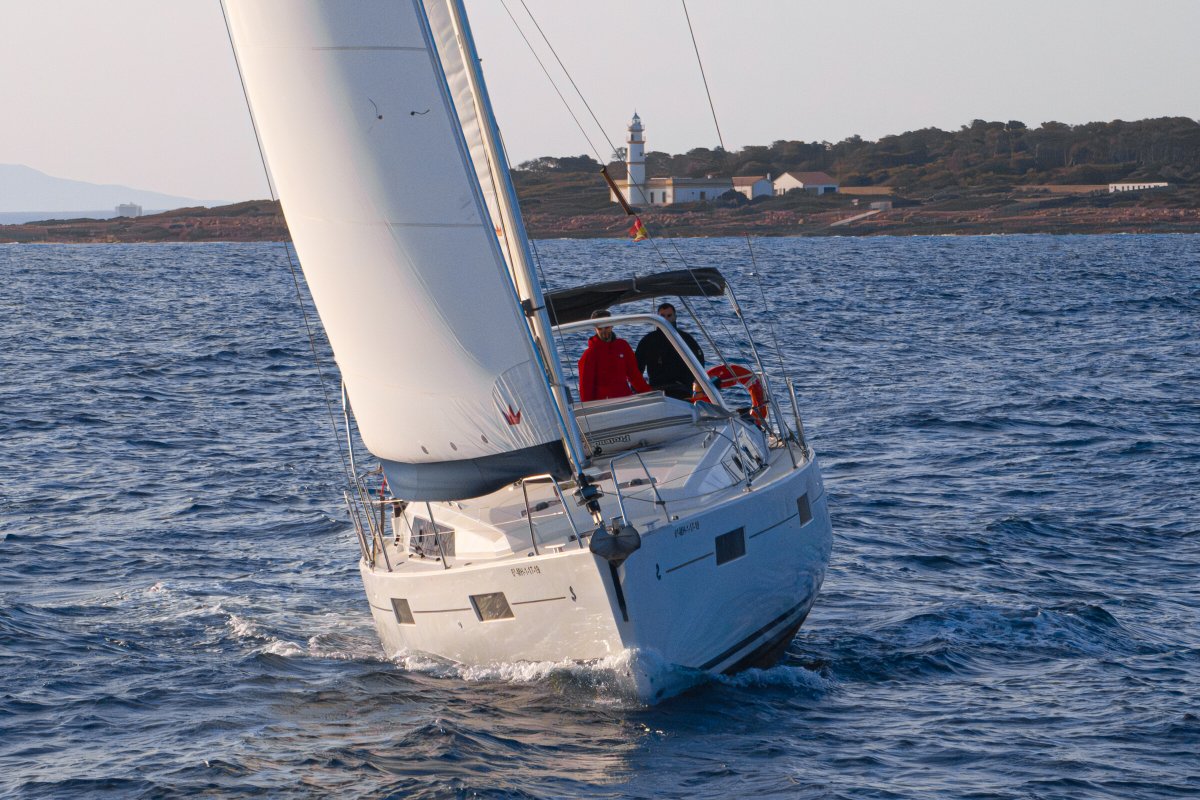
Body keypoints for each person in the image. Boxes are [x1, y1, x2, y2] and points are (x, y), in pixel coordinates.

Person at [577, 309, 651, 401]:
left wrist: (649, 394)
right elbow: (585, 389)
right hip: (604, 407)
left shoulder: (623, 346)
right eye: (600, 328)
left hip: (627, 400)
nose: (604, 331)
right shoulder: (589, 355)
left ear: (612, 325)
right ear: (595, 329)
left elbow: (634, 376)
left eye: (607, 327)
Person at [635, 302, 704, 400]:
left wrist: (698, 388)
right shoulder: (648, 341)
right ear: (657, 318)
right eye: (662, 316)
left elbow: (699, 363)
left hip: (682, 390)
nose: (666, 319)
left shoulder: (686, 339)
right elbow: (637, 369)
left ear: (675, 317)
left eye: (669, 316)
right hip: (656, 391)